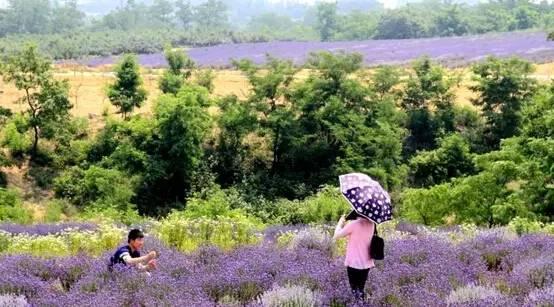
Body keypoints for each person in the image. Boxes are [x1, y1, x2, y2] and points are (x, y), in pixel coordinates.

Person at [333, 210, 375, 300]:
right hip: (366, 262)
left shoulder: (354, 224)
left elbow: (336, 236)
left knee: (354, 290)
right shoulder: (372, 224)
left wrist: (340, 222)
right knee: (360, 289)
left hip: (354, 263)